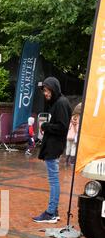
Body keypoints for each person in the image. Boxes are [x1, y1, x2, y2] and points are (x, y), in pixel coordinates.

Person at [33, 77, 72, 223]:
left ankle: (50, 213)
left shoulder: (61, 103)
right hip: (54, 146)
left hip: (54, 146)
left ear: (54, 88)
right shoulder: (59, 102)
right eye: (44, 90)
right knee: (53, 179)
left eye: (47, 90)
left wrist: (45, 126)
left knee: (53, 180)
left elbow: (62, 127)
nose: (45, 93)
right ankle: (53, 211)